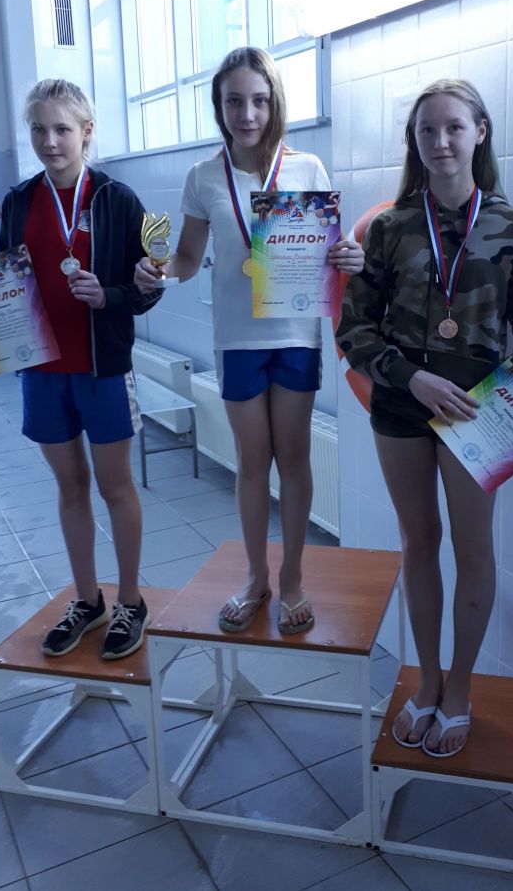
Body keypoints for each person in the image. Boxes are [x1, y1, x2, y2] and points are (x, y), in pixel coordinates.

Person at [336, 79, 513, 757]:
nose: (440, 141)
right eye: (427, 130)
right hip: (402, 403)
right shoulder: (390, 228)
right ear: (415, 140)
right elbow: (354, 332)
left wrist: (495, 396)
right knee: (418, 543)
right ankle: (427, 681)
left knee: (474, 551)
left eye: (454, 127)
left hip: (477, 413)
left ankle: (460, 689)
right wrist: (412, 377)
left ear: (479, 132)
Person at [135, 46, 363, 635]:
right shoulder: (203, 176)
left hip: (295, 337)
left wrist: (348, 255)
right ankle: (256, 577)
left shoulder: (307, 169)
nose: (247, 114)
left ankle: (293, 579)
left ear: (274, 102)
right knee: (252, 462)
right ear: (219, 106)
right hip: (237, 340)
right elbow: (187, 257)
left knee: (294, 457)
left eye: (259, 100)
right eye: (234, 101)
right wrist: (158, 272)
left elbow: (328, 253)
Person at [0, 79, 160, 659]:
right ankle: (88, 599)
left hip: (102, 368)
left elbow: (148, 289)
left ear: (86, 131)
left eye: (62, 129)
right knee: (70, 487)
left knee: (115, 487)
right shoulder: (18, 202)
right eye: (39, 129)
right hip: (42, 370)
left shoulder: (119, 200)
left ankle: (130, 601)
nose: (50, 141)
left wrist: (111, 294)